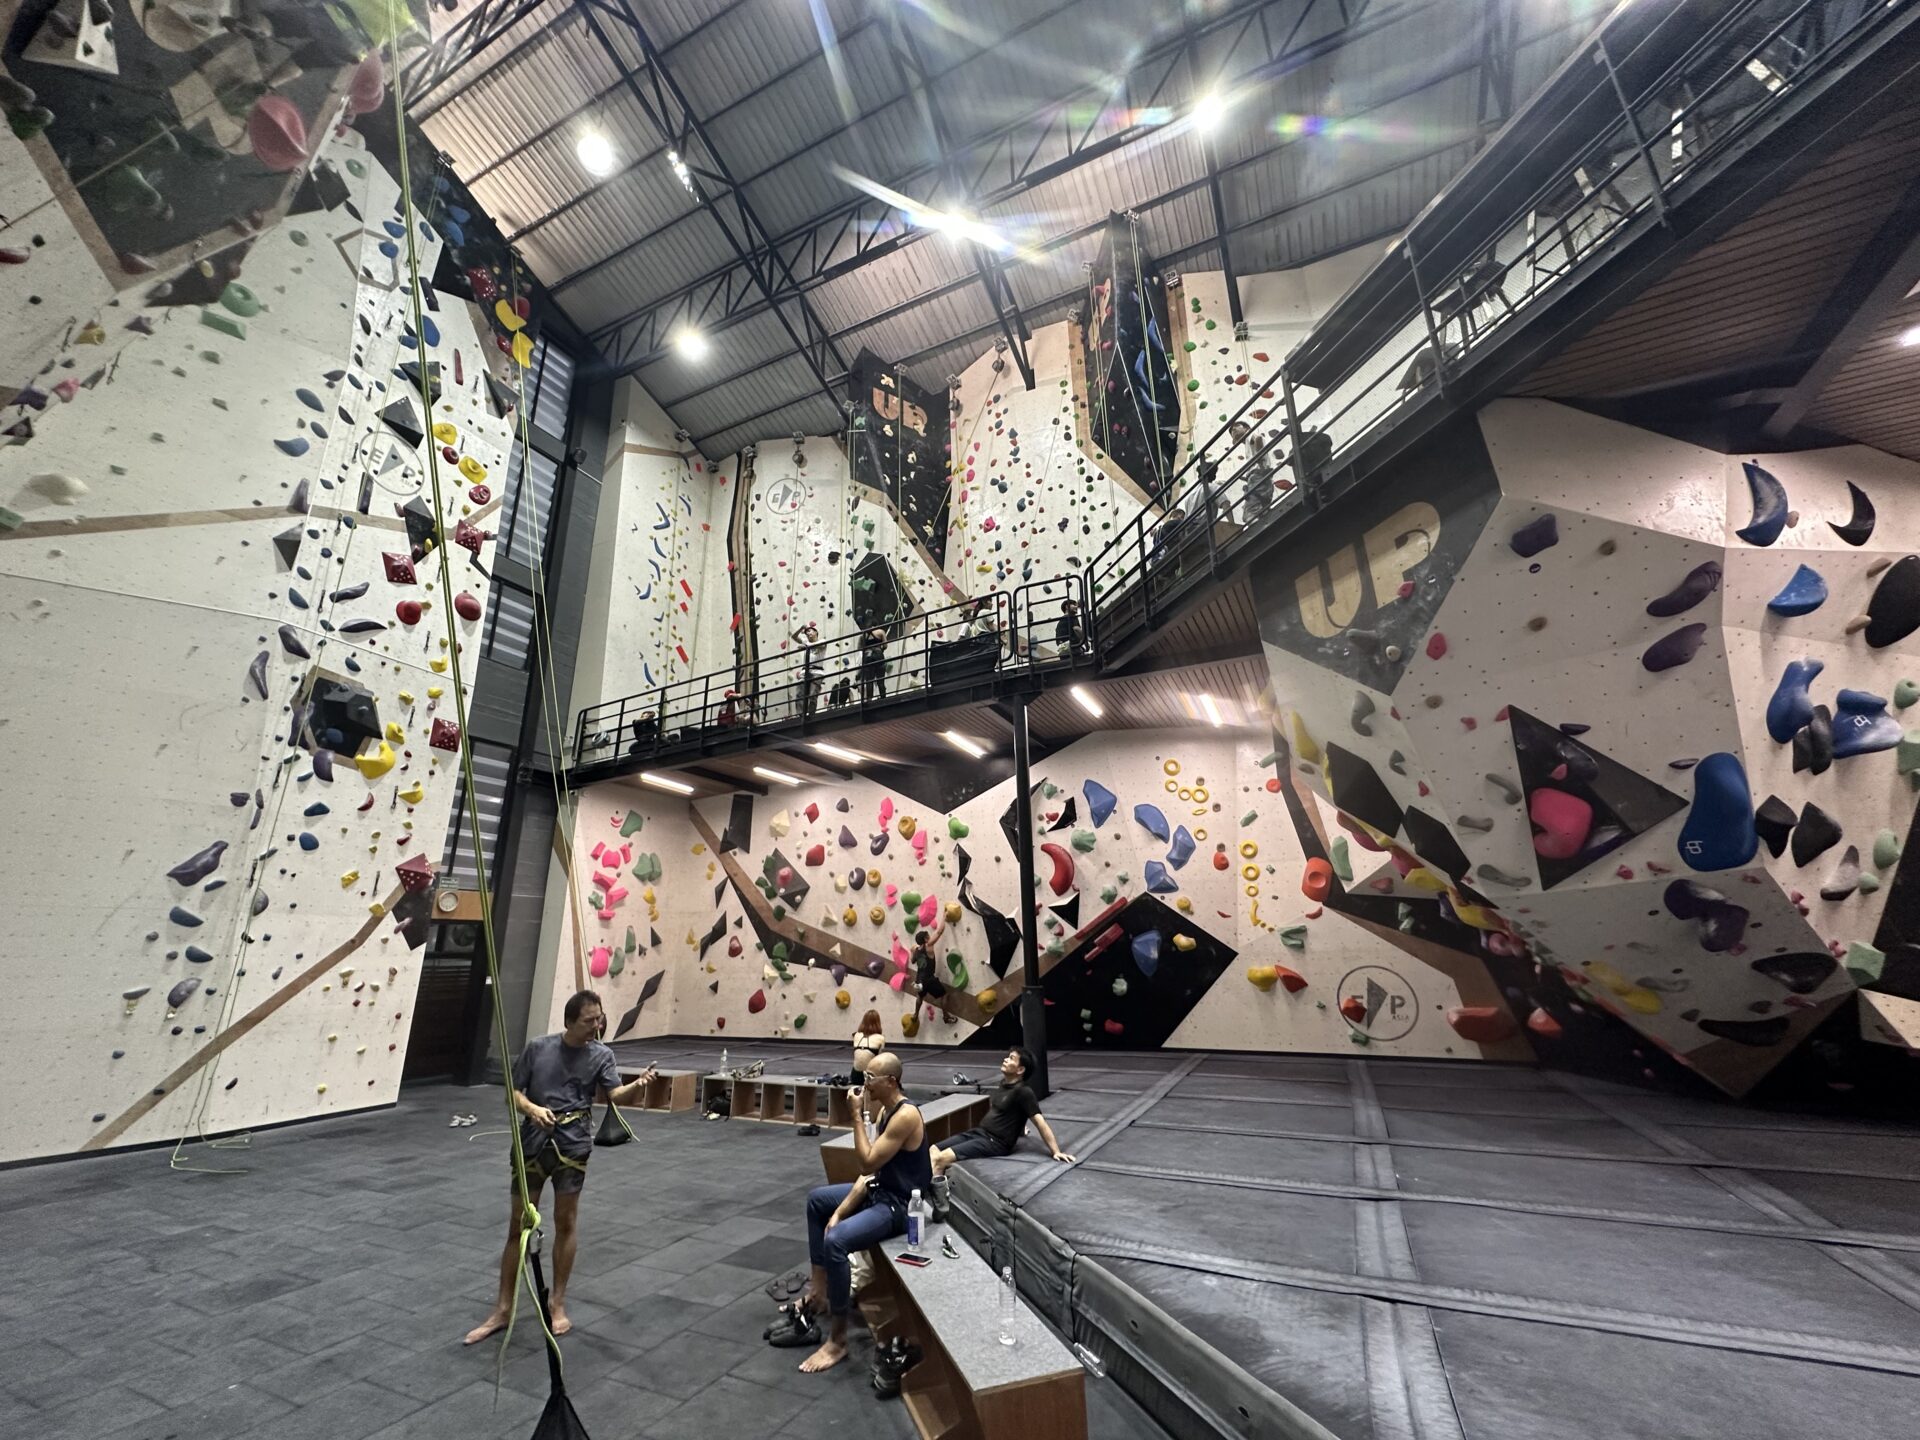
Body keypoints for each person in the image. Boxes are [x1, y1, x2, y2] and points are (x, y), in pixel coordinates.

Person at [464, 990, 655, 1345]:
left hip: (572, 1147)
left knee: (566, 1222)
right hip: (532, 1144)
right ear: (569, 1021)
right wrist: (533, 1110)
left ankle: (558, 1303)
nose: (596, 1026)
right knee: (517, 1225)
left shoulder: (602, 1055)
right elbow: (513, 1093)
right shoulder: (538, 1048)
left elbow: (615, 1096)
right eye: (588, 1020)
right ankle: (503, 1309)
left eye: (599, 1019)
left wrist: (637, 1087)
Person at [783, 1052, 929, 1373]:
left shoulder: (906, 1115)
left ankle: (838, 1341)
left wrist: (856, 1116)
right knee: (817, 1201)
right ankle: (818, 1293)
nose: (864, 1084)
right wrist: (839, 1211)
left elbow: (866, 1163)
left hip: (901, 1206)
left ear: (890, 1081)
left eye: (870, 1078)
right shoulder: (885, 1113)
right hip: (880, 1192)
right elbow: (868, 1177)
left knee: (836, 1242)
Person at [928, 1047, 1073, 1216]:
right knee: (933, 1149)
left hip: (995, 1142)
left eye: (1011, 1058)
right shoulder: (1004, 1085)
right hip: (980, 1133)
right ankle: (925, 1190)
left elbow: (1040, 1121)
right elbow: (1011, 1112)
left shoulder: (1024, 1092)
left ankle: (939, 1207)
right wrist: (1019, 1127)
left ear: (1020, 1070)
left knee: (941, 1158)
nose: (1005, 1059)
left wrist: (1056, 1151)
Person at [910, 922, 951, 1021]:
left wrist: (912, 951)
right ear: (925, 939)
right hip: (929, 979)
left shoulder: (917, 950)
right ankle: (946, 1016)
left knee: (920, 996)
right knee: (944, 995)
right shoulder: (928, 946)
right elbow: (939, 932)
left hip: (919, 979)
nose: (929, 937)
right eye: (928, 936)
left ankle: (915, 1014)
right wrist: (944, 917)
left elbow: (912, 961)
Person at [791, 622, 822, 717]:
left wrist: (805, 647)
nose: (808, 633)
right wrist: (801, 628)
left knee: (813, 694)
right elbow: (794, 637)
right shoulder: (806, 642)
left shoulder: (822, 641)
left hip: (817, 671)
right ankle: (800, 715)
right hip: (805, 671)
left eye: (810, 631)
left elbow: (820, 646)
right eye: (806, 632)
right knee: (800, 694)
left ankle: (811, 714)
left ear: (816, 632)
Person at [851, 1009, 885, 1077]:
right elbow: (879, 1060)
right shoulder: (880, 1038)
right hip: (870, 1077)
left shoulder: (856, 1035)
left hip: (855, 1076)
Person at [858, 626, 887, 703]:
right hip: (878, 655)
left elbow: (860, 648)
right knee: (880, 680)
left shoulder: (862, 635)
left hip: (867, 657)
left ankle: (869, 700)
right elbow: (885, 646)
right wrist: (881, 650)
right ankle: (883, 697)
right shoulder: (880, 631)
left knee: (869, 681)